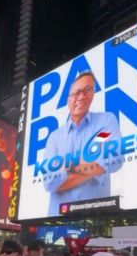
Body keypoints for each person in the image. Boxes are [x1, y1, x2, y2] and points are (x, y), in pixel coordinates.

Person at [42, 71, 124, 216]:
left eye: (88, 90)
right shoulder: (54, 137)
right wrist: (94, 167)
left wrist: (67, 167)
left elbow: (115, 159)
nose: (82, 96)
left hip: (96, 218)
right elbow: (49, 182)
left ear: (93, 94)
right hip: (58, 218)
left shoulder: (106, 122)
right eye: (77, 93)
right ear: (68, 99)